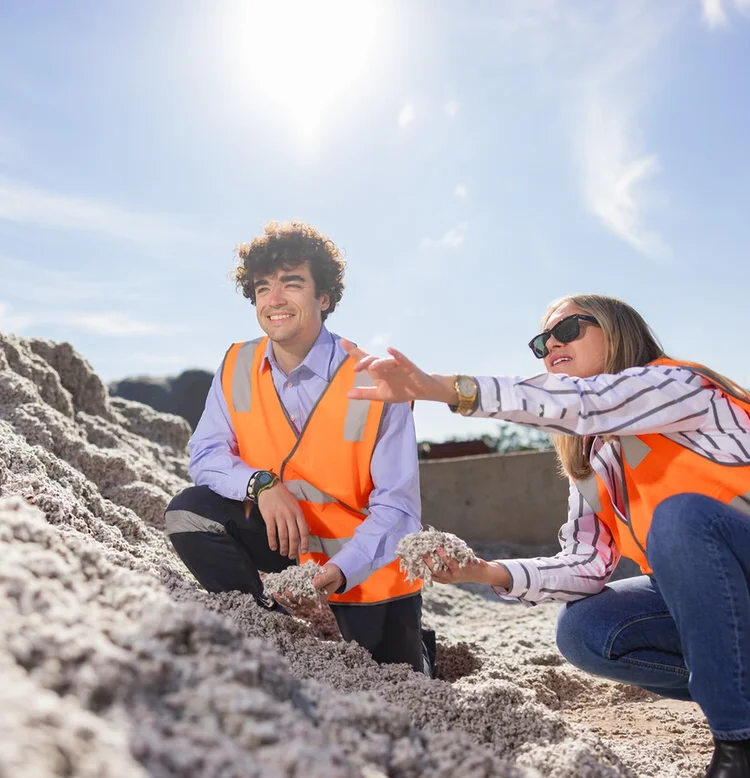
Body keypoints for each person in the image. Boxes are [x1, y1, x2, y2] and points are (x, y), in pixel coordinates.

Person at [343, 293, 750, 778]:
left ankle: (737, 744)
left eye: (569, 329)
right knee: (587, 629)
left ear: (616, 329)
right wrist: (483, 571)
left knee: (680, 517)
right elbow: (586, 563)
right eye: (542, 341)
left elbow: (587, 404)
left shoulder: (677, 385)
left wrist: (444, 388)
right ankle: (736, 688)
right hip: (721, 607)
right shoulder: (596, 458)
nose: (551, 343)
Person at [164, 221, 434, 676]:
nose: (274, 299)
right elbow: (206, 456)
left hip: (364, 558)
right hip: (283, 533)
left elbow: (399, 508)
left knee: (397, 676)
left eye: (291, 284)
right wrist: (260, 484)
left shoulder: (376, 380)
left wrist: (344, 568)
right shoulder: (236, 365)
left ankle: (421, 643)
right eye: (263, 287)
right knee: (189, 512)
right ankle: (272, 629)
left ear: (323, 297)